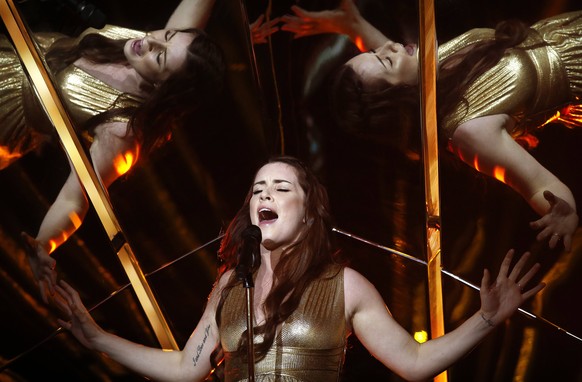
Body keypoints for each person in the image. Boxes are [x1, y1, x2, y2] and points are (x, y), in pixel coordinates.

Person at [54, 156, 545, 381]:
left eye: (282, 187)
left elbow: (413, 364)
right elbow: (187, 366)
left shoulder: (345, 286)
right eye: (258, 188)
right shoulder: (230, 284)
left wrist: (486, 319)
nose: (264, 193)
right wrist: (96, 336)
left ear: (309, 213)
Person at [280, 1, 581, 253]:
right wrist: (562, 213)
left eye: (374, 52)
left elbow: (390, 63)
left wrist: (352, 26)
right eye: (385, 60)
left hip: (569, 29)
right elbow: (542, 186)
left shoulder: (431, 74)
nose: (391, 47)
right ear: (399, 99)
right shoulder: (470, 132)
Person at [8, 0, 237, 303]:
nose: (151, 40)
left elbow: (75, 198)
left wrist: (43, 244)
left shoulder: (122, 129)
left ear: (161, 89)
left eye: (160, 56)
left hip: (6, 117)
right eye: (165, 36)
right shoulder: (156, 46)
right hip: (7, 58)